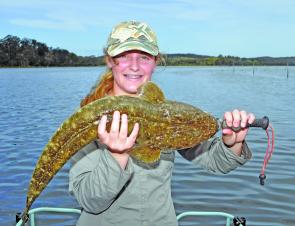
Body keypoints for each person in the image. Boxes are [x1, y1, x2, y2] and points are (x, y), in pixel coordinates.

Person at [69, 20, 255, 226]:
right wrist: (116, 156)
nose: (134, 65)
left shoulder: (168, 116)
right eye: (123, 56)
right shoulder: (87, 121)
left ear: (156, 62)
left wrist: (232, 144)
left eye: (144, 57)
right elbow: (90, 200)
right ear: (109, 61)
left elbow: (216, 162)